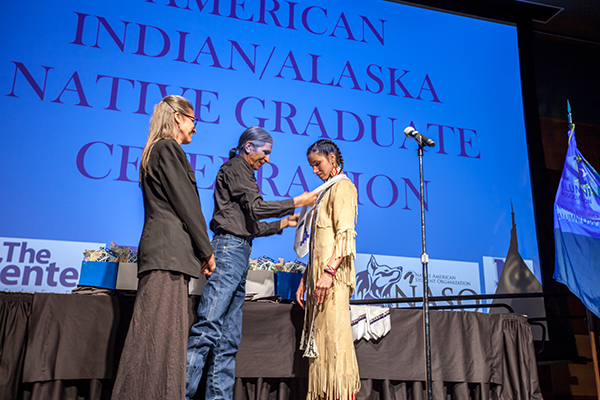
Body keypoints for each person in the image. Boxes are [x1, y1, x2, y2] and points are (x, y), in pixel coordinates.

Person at [186, 126, 318, 400]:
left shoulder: (244, 173)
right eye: (265, 152)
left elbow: (250, 225)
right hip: (228, 250)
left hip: (240, 250)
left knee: (228, 339)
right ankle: (181, 393)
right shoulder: (236, 167)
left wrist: (284, 222)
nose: (268, 159)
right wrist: (296, 201)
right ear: (249, 147)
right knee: (208, 326)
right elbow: (257, 209)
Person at [112, 95, 216, 400]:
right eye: (194, 121)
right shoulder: (167, 148)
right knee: (154, 341)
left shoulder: (156, 150)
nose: (195, 129)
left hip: (168, 258)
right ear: (178, 118)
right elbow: (186, 204)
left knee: (163, 343)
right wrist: (206, 251)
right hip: (166, 258)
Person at [295, 139, 360, 400]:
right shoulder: (323, 191)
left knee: (336, 343)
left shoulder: (343, 187)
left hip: (332, 281)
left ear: (332, 159)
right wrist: (306, 278)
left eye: (317, 164)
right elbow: (319, 242)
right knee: (320, 347)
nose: (314, 170)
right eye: (311, 166)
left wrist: (329, 272)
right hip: (318, 281)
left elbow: (346, 238)